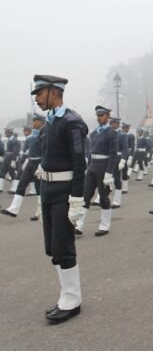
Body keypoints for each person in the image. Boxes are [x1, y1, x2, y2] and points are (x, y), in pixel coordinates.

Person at [32, 74, 88, 323]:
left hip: (65, 192)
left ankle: (72, 300)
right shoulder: (48, 125)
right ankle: (65, 294)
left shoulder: (71, 122)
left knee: (63, 247)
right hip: (48, 191)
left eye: (40, 93)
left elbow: (79, 163)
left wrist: (77, 199)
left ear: (54, 92)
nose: (37, 99)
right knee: (51, 247)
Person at [74, 106, 117, 237]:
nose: (99, 118)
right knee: (85, 196)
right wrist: (87, 167)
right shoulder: (93, 133)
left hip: (104, 168)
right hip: (93, 167)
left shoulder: (111, 133)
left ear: (108, 116)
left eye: (102, 115)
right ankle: (79, 225)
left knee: (103, 198)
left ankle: (104, 226)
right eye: (98, 116)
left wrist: (109, 173)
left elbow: (113, 155)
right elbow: (91, 152)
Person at [1, 114, 45, 219]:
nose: (33, 123)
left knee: (39, 189)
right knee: (21, 184)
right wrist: (26, 161)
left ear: (41, 122)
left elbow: (46, 149)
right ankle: (13, 209)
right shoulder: (34, 133)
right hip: (30, 162)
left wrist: (42, 165)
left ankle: (40, 212)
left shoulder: (45, 132)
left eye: (35, 121)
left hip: (39, 162)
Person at [110, 117, 128, 209]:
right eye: (115, 123)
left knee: (117, 179)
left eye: (117, 123)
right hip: (108, 158)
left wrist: (123, 160)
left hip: (117, 158)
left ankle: (117, 200)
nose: (117, 125)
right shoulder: (107, 133)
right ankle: (100, 198)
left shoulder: (122, 135)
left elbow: (125, 148)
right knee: (106, 179)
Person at [0, 127, 21, 193]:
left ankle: (14, 189)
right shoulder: (10, 140)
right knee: (2, 172)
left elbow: (15, 152)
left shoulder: (15, 141)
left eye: (6, 132)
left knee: (12, 173)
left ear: (10, 132)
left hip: (11, 159)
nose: (5, 133)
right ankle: (0, 187)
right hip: (7, 158)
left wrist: (13, 161)